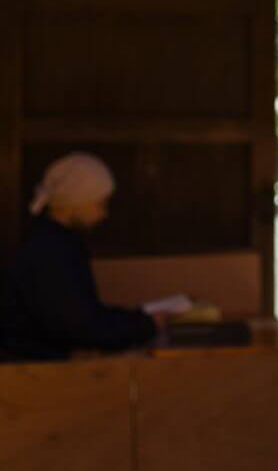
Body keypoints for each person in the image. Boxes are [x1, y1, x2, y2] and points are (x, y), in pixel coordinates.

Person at [1, 152, 159, 361]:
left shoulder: (58, 242)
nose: (103, 214)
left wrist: (139, 320)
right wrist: (145, 324)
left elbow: (83, 314)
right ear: (75, 202)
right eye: (99, 204)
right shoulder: (48, 250)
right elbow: (78, 323)